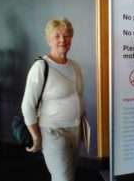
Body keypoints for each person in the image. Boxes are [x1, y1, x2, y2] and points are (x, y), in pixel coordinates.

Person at [21, 17, 85, 181]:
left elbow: (78, 97)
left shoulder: (74, 66)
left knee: (70, 174)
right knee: (63, 177)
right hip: (53, 131)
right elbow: (28, 105)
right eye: (57, 36)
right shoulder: (41, 67)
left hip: (75, 130)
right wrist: (36, 138)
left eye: (66, 35)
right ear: (48, 40)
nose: (62, 40)